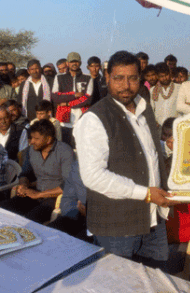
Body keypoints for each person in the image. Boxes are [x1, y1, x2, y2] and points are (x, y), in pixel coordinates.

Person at [74, 51, 177, 269]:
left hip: (152, 218)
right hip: (117, 226)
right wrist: (146, 193)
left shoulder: (144, 107)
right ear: (107, 77)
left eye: (132, 78)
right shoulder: (94, 119)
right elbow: (93, 176)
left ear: (141, 79)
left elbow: (147, 151)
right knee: (118, 284)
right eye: (119, 78)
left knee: (153, 282)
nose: (126, 85)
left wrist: (172, 150)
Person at [0, 120, 74, 223]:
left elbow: (68, 185)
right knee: (2, 209)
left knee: (29, 221)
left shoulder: (65, 151)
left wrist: (39, 195)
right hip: (35, 192)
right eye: (31, 138)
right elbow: (25, 173)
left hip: (55, 199)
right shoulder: (32, 150)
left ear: (48, 139)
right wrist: (23, 185)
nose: (31, 141)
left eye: (36, 138)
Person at [51, 52, 93, 145]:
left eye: (76, 61)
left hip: (82, 119)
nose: (74, 64)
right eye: (72, 61)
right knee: (66, 148)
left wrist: (67, 103)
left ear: (80, 63)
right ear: (67, 63)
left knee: (81, 148)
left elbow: (88, 98)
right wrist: (73, 95)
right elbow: (55, 97)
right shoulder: (59, 77)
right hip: (64, 120)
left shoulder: (87, 77)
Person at [151, 62, 180, 128]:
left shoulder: (179, 88)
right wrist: (154, 122)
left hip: (175, 126)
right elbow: (152, 109)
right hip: (158, 127)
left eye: (166, 75)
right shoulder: (152, 90)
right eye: (161, 76)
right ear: (157, 76)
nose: (165, 78)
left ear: (170, 74)